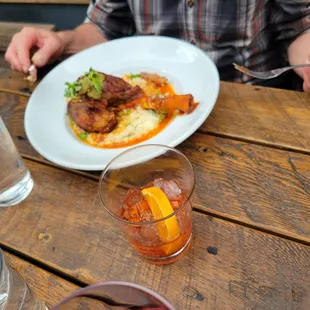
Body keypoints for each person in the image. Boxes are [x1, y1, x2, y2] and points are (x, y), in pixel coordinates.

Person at [5, 0, 310, 91]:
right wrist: (62, 41)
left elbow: (300, 30)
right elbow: (103, 28)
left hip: (251, 106)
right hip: (150, 103)